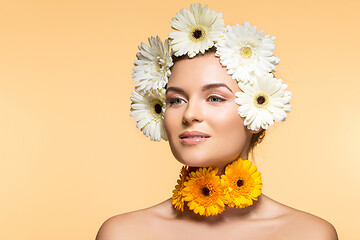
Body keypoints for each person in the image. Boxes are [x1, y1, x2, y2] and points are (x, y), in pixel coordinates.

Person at [96, 4, 338, 239]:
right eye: (176, 100)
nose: (189, 114)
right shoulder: (123, 233)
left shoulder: (310, 234)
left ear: (259, 113)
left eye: (214, 98)